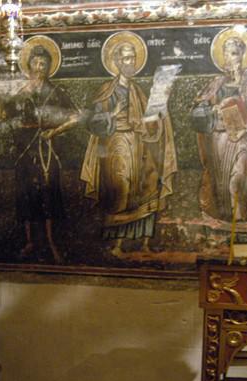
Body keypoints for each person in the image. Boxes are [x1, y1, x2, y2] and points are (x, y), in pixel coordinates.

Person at [80, 35, 177, 257]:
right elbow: (92, 122)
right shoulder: (107, 90)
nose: (130, 63)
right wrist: (112, 115)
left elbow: (149, 122)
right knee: (121, 190)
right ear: (116, 61)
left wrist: (159, 113)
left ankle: (143, 244)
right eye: (125, 59)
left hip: (139, 148)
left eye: (133, 58)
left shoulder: (138, 91)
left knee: (147, 189)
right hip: (115, 148)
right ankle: (117, 245)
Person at [191, 32, 247, 222]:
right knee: (222, 182)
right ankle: (227, 219)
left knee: (238, 177)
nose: (229, 58)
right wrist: (212, 109)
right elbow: (198, 107)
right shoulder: (216, 83)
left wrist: (246, 126)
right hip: (219, 139)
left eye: (234, 53)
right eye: (226, 53)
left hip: (244, 139)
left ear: (242, 56)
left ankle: (242, 217)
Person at [5, 42, 77, 263]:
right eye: (35, 63)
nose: (39, 67)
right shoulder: (20, 94)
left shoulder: (57, 92)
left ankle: (51, 241)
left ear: (49, 67)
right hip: (25, 151)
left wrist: (54, 131)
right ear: (29, 66)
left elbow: (76, 117)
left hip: (48, 150)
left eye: (43, 63)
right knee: (26, 195)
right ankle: (30, 242)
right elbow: (8, 120)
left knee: (49, 194)